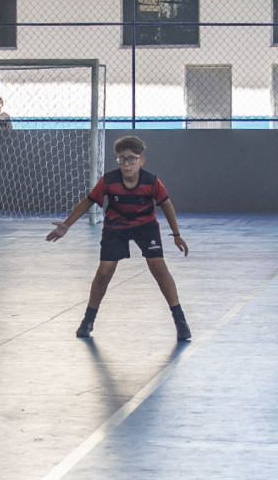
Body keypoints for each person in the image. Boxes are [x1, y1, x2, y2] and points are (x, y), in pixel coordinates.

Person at [46, 135, 191, 341]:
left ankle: (180, 321)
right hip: (116, 227)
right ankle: (88, 320)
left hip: (145, 226)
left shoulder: (151, 181)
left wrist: (176, 235)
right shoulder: (108, 181)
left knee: (159, 267)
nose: (126, 163)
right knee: (104, 273)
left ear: (141, 160)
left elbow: (166, 204)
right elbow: (88, 201)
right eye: (122, 159)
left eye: (132, 158)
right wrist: (66, 225)